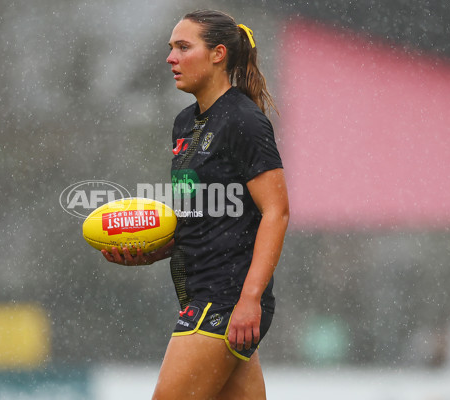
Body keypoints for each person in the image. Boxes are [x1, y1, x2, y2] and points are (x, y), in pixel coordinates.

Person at [102, 9, 289, 399]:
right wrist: (154, 248)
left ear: (218, 54)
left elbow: (277, 212)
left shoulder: (244, 121)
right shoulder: (185, 123)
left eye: (183, 47)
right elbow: (203, 217)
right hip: (204, 295)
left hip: (225, 300)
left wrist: (250, 299)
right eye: (171, 48)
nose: (171, 58)